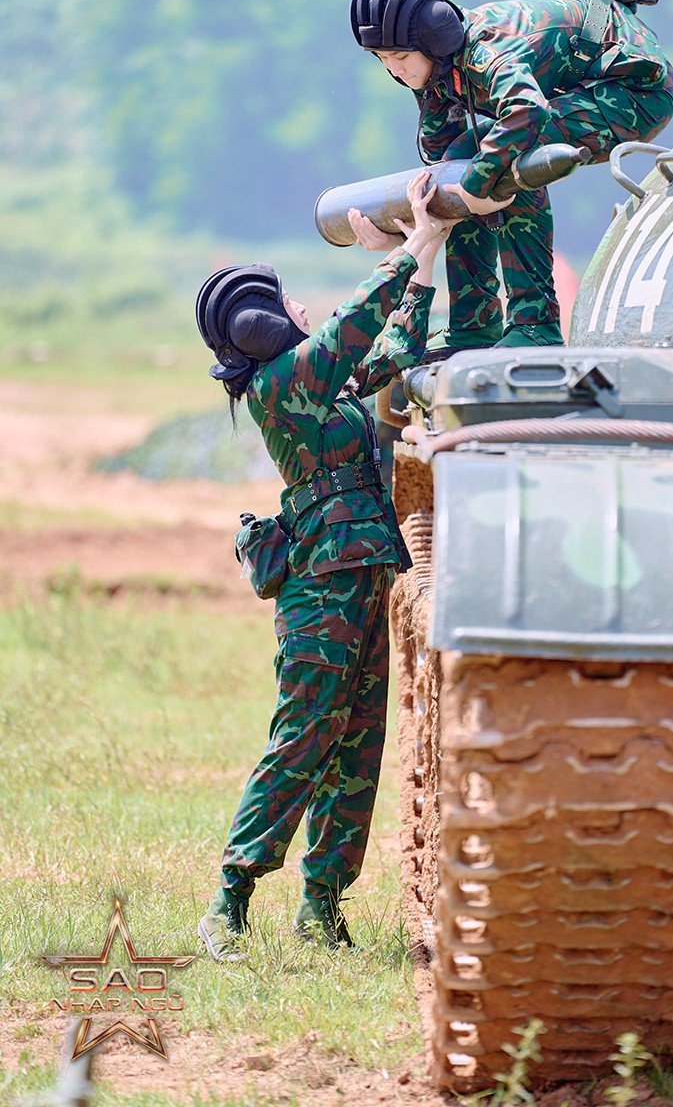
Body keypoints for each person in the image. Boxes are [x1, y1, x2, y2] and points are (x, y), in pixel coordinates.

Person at [195, 172, 453, 961]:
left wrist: (427, 249)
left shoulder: (318, 387)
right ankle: (228, 902)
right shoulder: (286, 384)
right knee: (303, 737)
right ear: (270, 326)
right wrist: (405, 246)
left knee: (356, 746)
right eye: (291, 306)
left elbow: (393, 346)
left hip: (361, 576)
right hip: (320, 590)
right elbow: (351, 324)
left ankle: (321, 904)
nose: (305, 309)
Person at [350, 0, 673, 350]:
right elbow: (442, 176)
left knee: (505, 164)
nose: (394, 70)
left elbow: (527, 111)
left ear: (433, 43)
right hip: (589, 86)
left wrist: (475, 184)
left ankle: (536, 324)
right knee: (462, 172)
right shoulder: (434, 75)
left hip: (636, 89)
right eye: (382, 59)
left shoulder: (484, 52)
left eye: (400, 58)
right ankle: (474, 325)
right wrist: (405, 232)